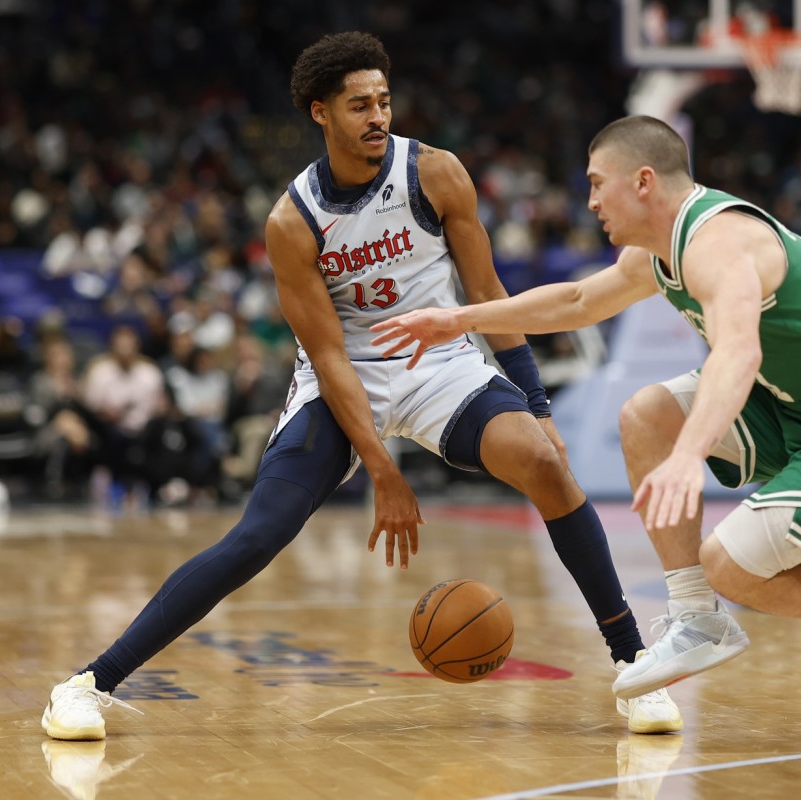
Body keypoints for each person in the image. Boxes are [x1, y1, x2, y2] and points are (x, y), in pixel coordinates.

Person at [40, 33, 678, 741]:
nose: (377, 116)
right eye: (358, 105)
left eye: (383, 101)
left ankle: (635, 663)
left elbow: (488, 292)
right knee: (258, 536)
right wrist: (381, 467)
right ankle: (87, 683)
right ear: (320, 113)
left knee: (546, 465)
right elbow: (329, 354)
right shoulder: (293, 221)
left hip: (441, 365)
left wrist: (536, 407)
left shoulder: (436, 174)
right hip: (345, 377)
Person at [372, 115, 801, 708]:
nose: (589, 201)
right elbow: (579, 299)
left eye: (597, 183)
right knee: (643, 414)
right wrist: (458, 321)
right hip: (793, 402)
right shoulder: (660, 250)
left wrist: (689, 453)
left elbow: (739, 353)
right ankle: (698, 616)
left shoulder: (716, 245)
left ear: (643, 181)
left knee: (731, 567)